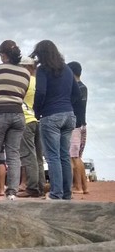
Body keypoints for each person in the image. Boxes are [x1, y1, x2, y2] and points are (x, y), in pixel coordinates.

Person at [30, 40, 80, 200]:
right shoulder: (67, 69)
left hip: (51, 116)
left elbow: (41, 92)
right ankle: (66, 193)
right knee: (64, 155)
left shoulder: (43, 69)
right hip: (69, 115)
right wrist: (66, 105)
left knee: (52, 156)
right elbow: (77, 94)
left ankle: (56, 193)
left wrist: (37, 112)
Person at [0, 40, 30, 201]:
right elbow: (21, 95)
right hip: (17, 114)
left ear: (5, 55)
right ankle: (12, 193)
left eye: (1, 54)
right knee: (13, 155)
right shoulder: (25, 74)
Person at [17, 56, 46, 198]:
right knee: (38, 157)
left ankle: (32, 188)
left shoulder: (24, 81)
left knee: (29, 156)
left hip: (26, 120)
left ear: (26, 67)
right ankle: (40, 186)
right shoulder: (39, 82)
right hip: (38, 120)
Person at [67, 61, 89, 195]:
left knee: (72, 157)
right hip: (82, 124)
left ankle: (78, 187)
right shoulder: (83, 87)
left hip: (74, 126)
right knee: (78, 157)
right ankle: (84, 187)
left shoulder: (74, 88)